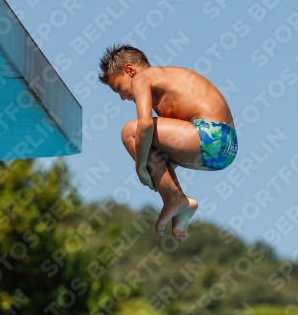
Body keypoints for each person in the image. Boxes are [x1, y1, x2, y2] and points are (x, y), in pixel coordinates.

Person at [98, 45, 238, 242]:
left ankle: (174, 198)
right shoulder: (163, 87)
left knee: (131, 132)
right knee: (151, 145)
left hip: (211, 135)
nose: (122, 97)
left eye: (119, 88)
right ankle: (180, 202)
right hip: (225, 149)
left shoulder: (142, 78)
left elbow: (145, 125)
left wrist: (139, 166)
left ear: (130, 70)